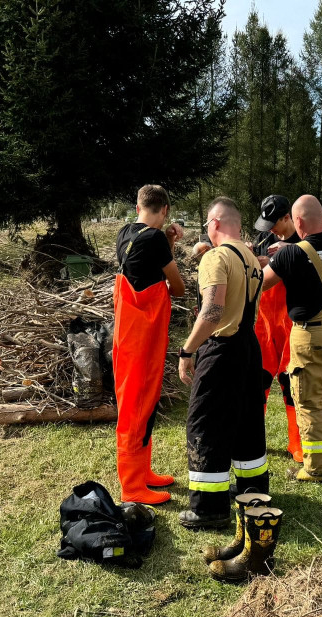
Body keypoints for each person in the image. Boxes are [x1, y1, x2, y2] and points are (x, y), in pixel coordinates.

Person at [177, 197, 268, 529]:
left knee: (206, 422)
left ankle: (209, 508)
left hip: (222, 349)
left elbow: (213, 312)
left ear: (214, 223)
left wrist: (187, 350)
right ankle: (253, 492)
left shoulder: (216, 258)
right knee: (247, 421)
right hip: (248, 346)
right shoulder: (250, 257)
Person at [262, 195, 322, 482]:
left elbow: (260, 283)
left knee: (310, 401)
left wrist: (273, 259)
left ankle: (315, 467)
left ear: (297, 222)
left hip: (310, 333)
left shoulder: (289, 255)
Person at [112, 184, 185, 504]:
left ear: (138, 205)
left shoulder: (125, 233)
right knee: (136, 406)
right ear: (165, 209)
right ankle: (131, 486)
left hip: (130, 336)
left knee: (143, 403)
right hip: (142, 338)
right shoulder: (155, 239)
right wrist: (169, 244)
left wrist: (167, 242)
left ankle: (142, 473)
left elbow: (146, 269)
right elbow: (178, 287)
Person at [252, 195, 304, 464]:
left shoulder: (305, 243)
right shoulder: (264, 238)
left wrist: (290, 254)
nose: (270, 229)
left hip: (291, 321)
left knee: (290, 382)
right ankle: (254, 440)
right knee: (258, 382)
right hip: (264, 322)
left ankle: (296, 442)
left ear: (289, 218)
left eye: (275, 223)